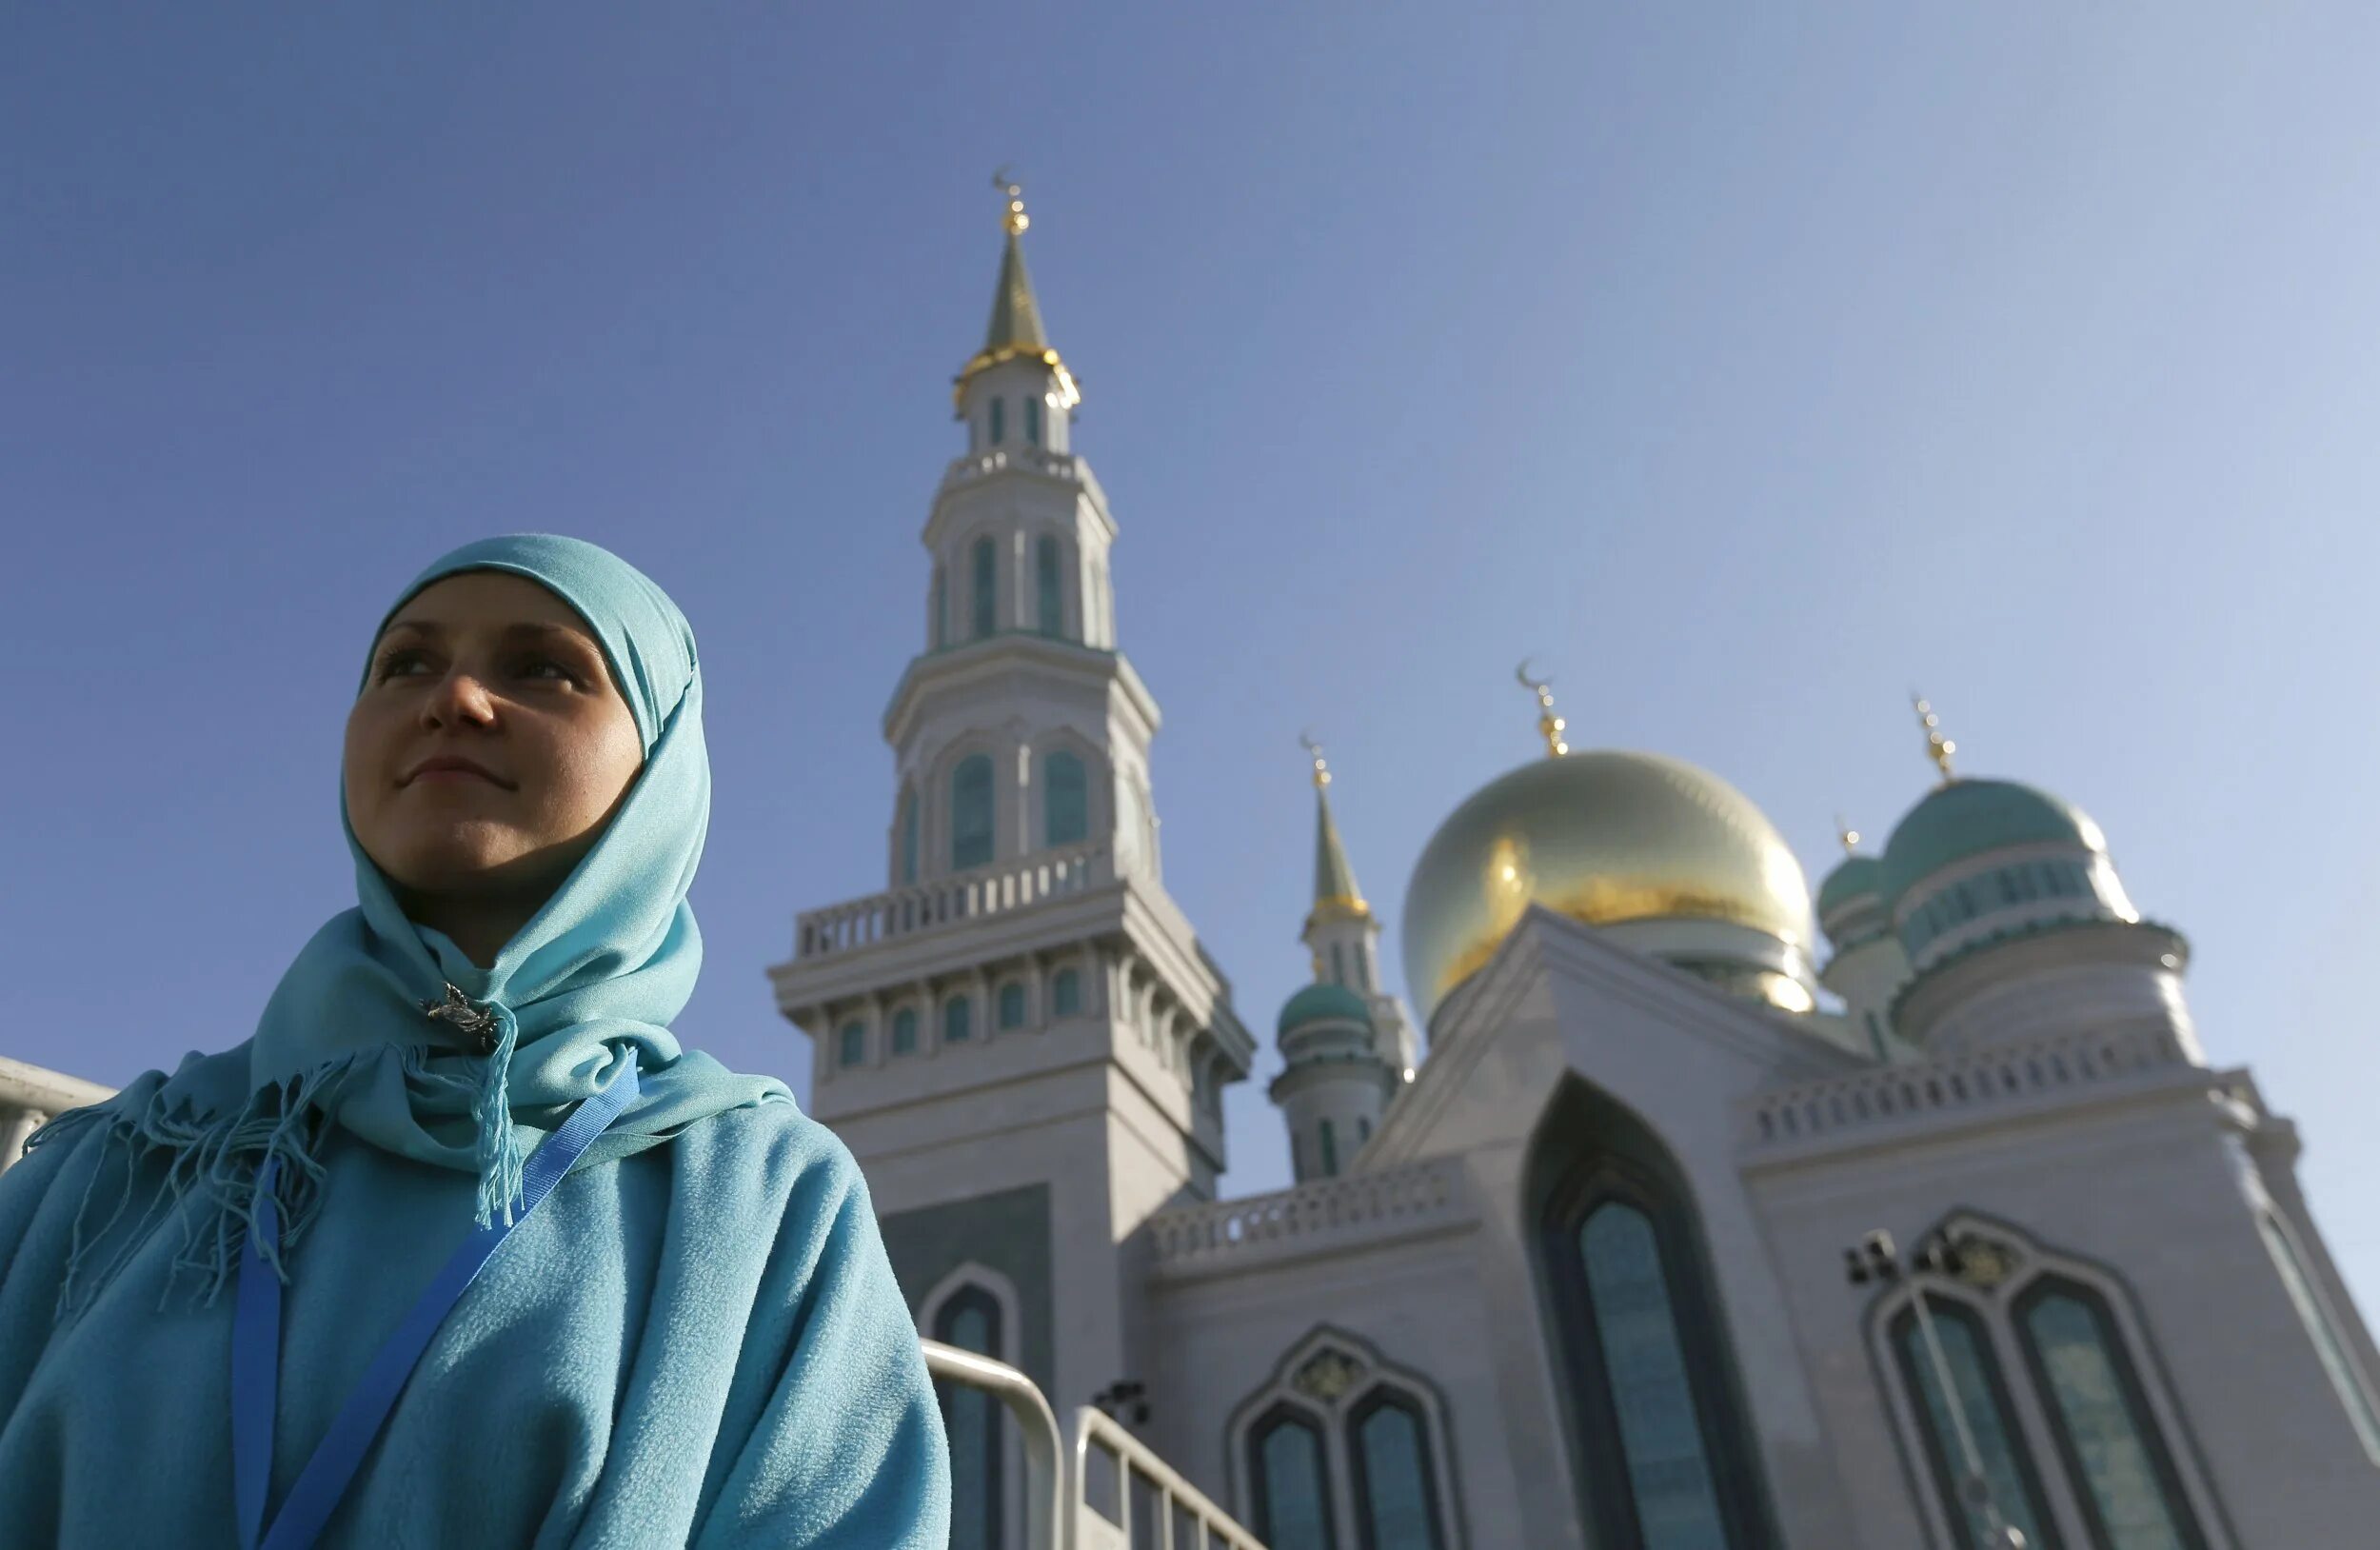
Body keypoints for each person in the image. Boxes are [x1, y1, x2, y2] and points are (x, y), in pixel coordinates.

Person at [0, 534, 950, 1548]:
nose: (454, 696)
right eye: (405, 662)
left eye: (542, 666)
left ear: (661, 767)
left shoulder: (757, 1201)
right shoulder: (126, 1168)